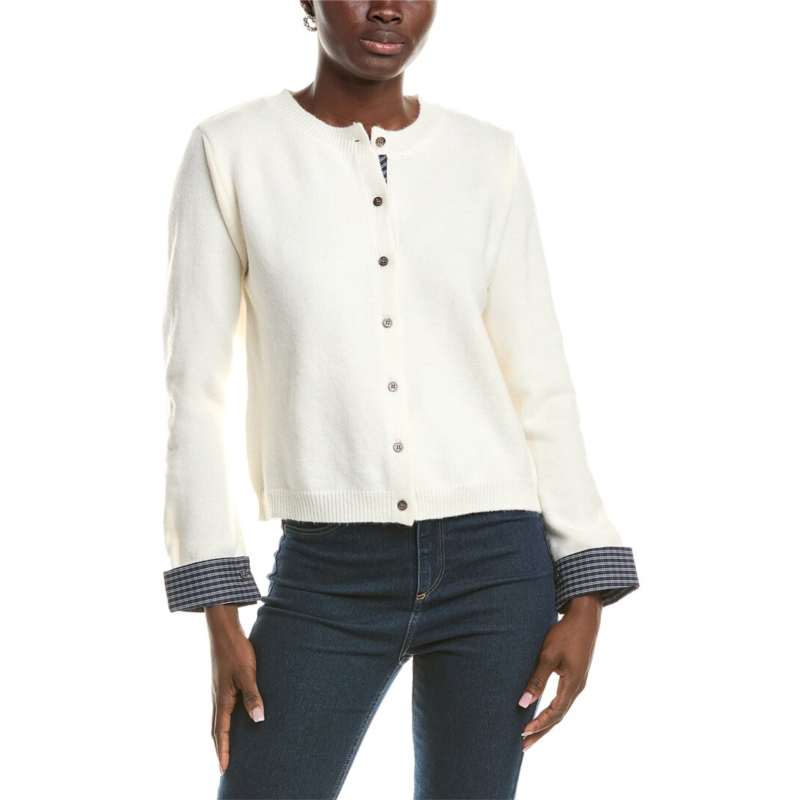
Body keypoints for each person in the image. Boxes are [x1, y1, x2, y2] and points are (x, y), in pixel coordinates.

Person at [161, 2, 639, 798]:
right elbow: (195, 389)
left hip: (499, 567)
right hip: (328, 572)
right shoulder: (231, 151)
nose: (389, 7)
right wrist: (219, 609)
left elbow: (540, 379)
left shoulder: (487, 158)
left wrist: (587, 591)